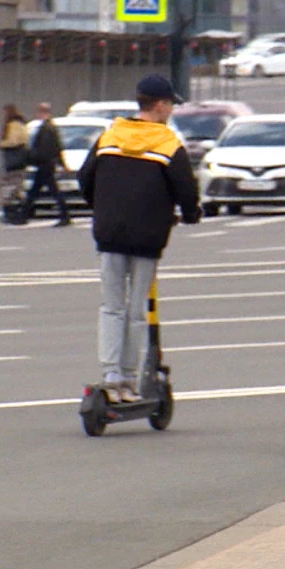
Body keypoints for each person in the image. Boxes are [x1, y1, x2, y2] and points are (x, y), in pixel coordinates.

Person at [77, 74, 201, 403]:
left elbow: (84, 178)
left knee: (111, 307)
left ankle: (111, 375)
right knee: (135, 311)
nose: (172, 109)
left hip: (109, 233)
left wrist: (102, 206)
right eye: (171, 103)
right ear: (159, 105)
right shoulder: (168, 144)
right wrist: (190, 214)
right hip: (148, 237)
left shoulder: (110, 137)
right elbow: (186, 190)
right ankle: (129, 381)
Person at [21, 102, 72, 228]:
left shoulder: (46, 129)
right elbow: (58, 148)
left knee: (48, 192)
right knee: (36, 191)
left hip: (45, 164)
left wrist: (32, 159)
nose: (37, 114)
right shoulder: (51, 127)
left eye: (39, 112)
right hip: (48, 164)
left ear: (42, 113)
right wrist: (62, 164)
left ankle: (64, 216)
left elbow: (44, 149)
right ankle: (23, 215)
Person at [0, 104, 30, 220]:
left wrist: (1, 144)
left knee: (9, 187)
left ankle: (11, 212)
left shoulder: (13, 125)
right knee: (17, 186)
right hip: (20, 160)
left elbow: (13, 141)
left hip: (13, 161)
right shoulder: (21, 124)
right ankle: (20, 210)